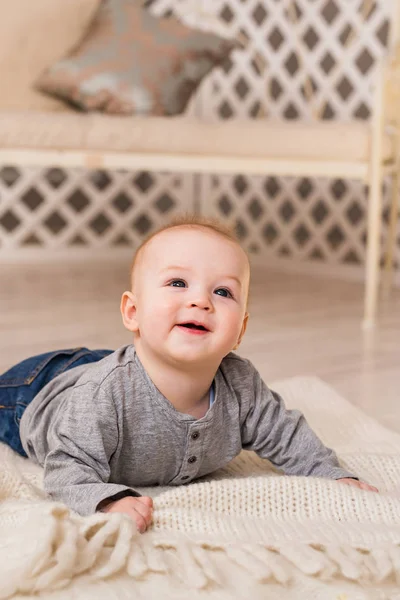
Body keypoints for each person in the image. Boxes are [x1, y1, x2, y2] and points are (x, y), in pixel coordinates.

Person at [0, 215, 378, 534]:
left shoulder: (241, 386)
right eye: (178, 283)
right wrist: (106, 499)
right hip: (36, 393)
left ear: (241, 330)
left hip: (124, 361)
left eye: (223, 291)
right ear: (133, 312)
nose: (201, 300)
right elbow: (66, 468)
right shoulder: (102, 397)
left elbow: (287, 434)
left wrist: (328, 473)